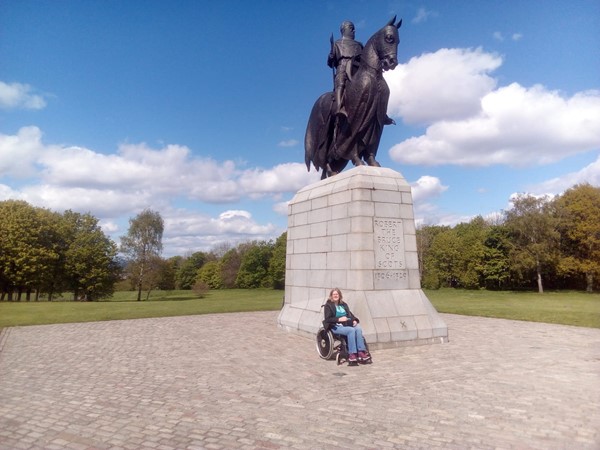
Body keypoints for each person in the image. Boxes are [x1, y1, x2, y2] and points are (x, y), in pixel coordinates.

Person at [323, 288, 371, 364]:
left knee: (358, 328)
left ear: (340, 295)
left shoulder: (343, 304)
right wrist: (339, 319)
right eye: (334, 294)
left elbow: (350, 314)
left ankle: (361, 352)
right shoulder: (328, 305)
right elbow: (327, 319)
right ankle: (352, 354)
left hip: (347, 323)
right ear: (331, 296)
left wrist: (355, 320)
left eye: (337, 294)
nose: (335, 295)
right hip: (336, 326)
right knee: (351, 330)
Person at [327, 21, 363, 117]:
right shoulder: (337, 44)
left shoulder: (359, 45)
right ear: (344, 30)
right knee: (341, 82)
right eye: (351, 28)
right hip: (342, 66)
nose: (354, 30)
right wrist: (331, 57)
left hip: (357, 68)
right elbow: (330, 63)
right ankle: (339, 107)